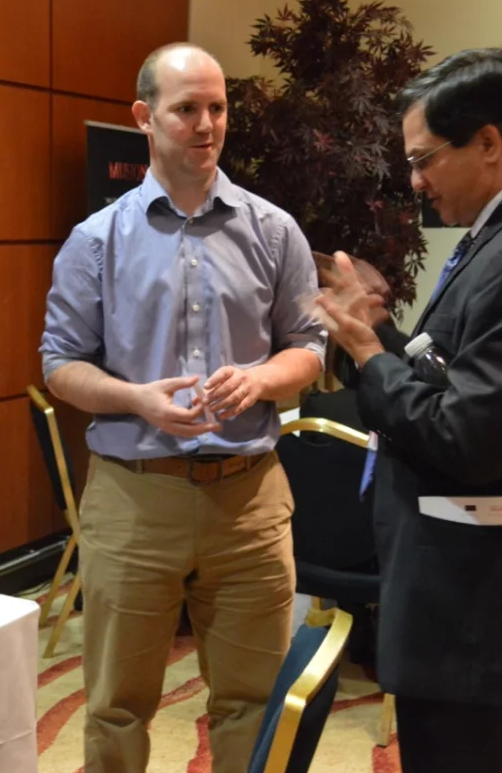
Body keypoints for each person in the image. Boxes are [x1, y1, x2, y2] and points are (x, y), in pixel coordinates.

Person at [313, 48, 502, 773]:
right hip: (463, 596)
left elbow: (467, 437)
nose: (415, 181)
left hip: (481, 608)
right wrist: (378, 332)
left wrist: (368, 353)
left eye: (424, 160)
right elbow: (450, 376)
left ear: (488, 142)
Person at [38, 42, 325, 773]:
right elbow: (60, 365)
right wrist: (135, 399)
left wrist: (261, 381)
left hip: (248, 502)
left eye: (218, 108)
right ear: (144, 117)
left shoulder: (273, 230)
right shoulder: (96, 241)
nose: (206, 125)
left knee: (252, 704)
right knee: (116, 705)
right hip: (136, 500)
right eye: (187, 109)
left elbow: (310, 348)